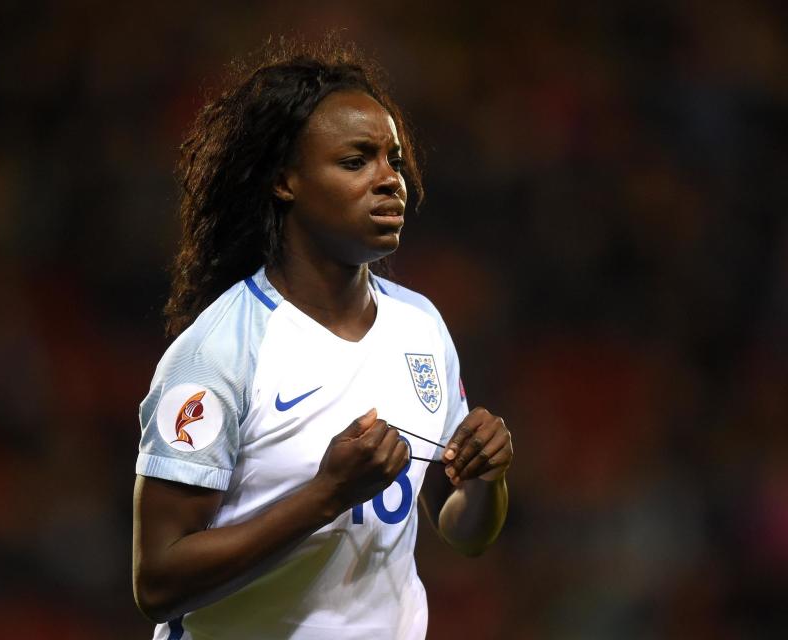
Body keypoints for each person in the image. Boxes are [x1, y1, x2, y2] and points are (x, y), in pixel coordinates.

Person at [132, 38, 513, 640]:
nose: (391, 179)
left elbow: (460, 528)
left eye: (393, 158)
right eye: (357, 161)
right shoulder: (219, 354)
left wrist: (486, 480)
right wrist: (327, 495)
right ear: (286, 182)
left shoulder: (421, 328)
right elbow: (156, 583)